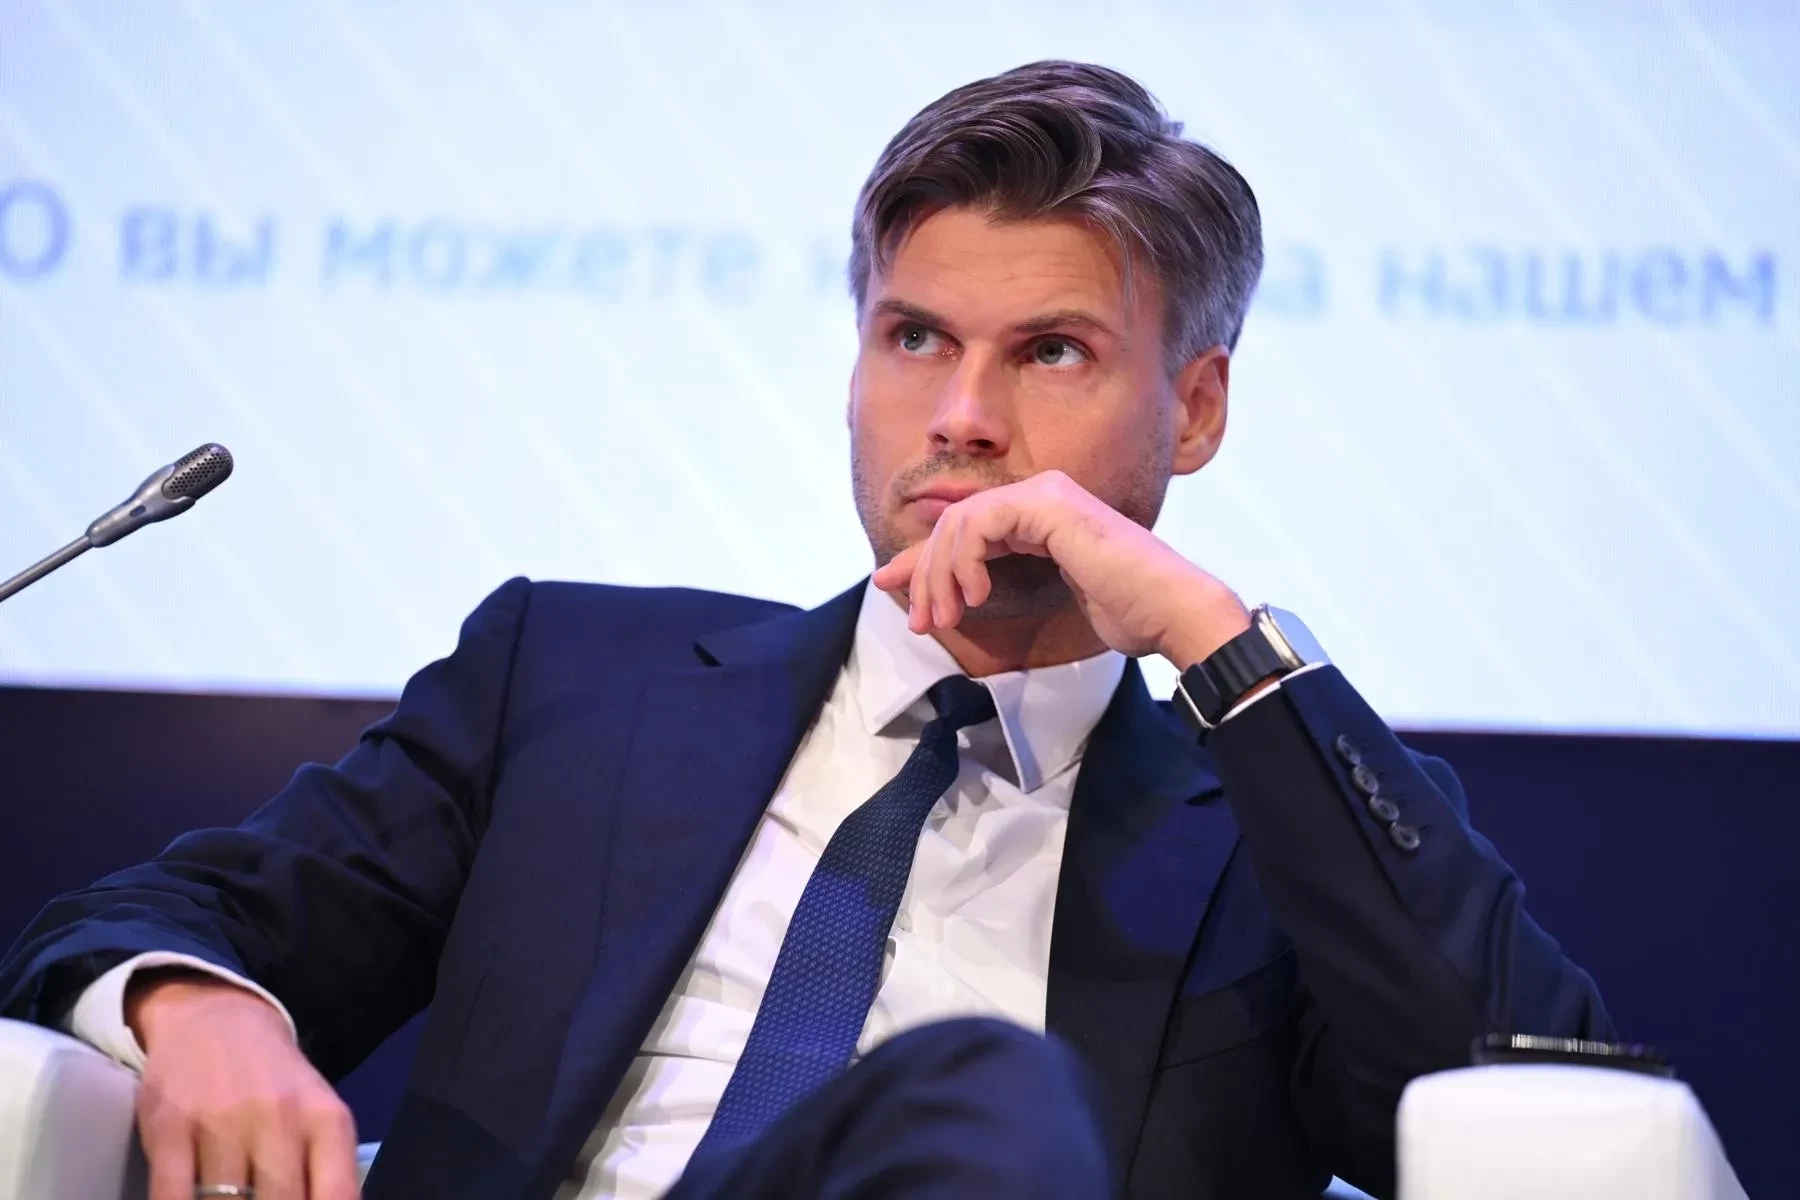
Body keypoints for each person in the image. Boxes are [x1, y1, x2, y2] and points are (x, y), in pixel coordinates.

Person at [0, 60, 1610, 1200]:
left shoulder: (1284, 829)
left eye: (1050, 353)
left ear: (1195, 410)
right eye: (914, 338)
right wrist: (196, 1003)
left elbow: (1522, 1101)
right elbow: (147, 915)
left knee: (979, 1098)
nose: (961, 414)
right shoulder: (571, 683)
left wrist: (1209, 633)